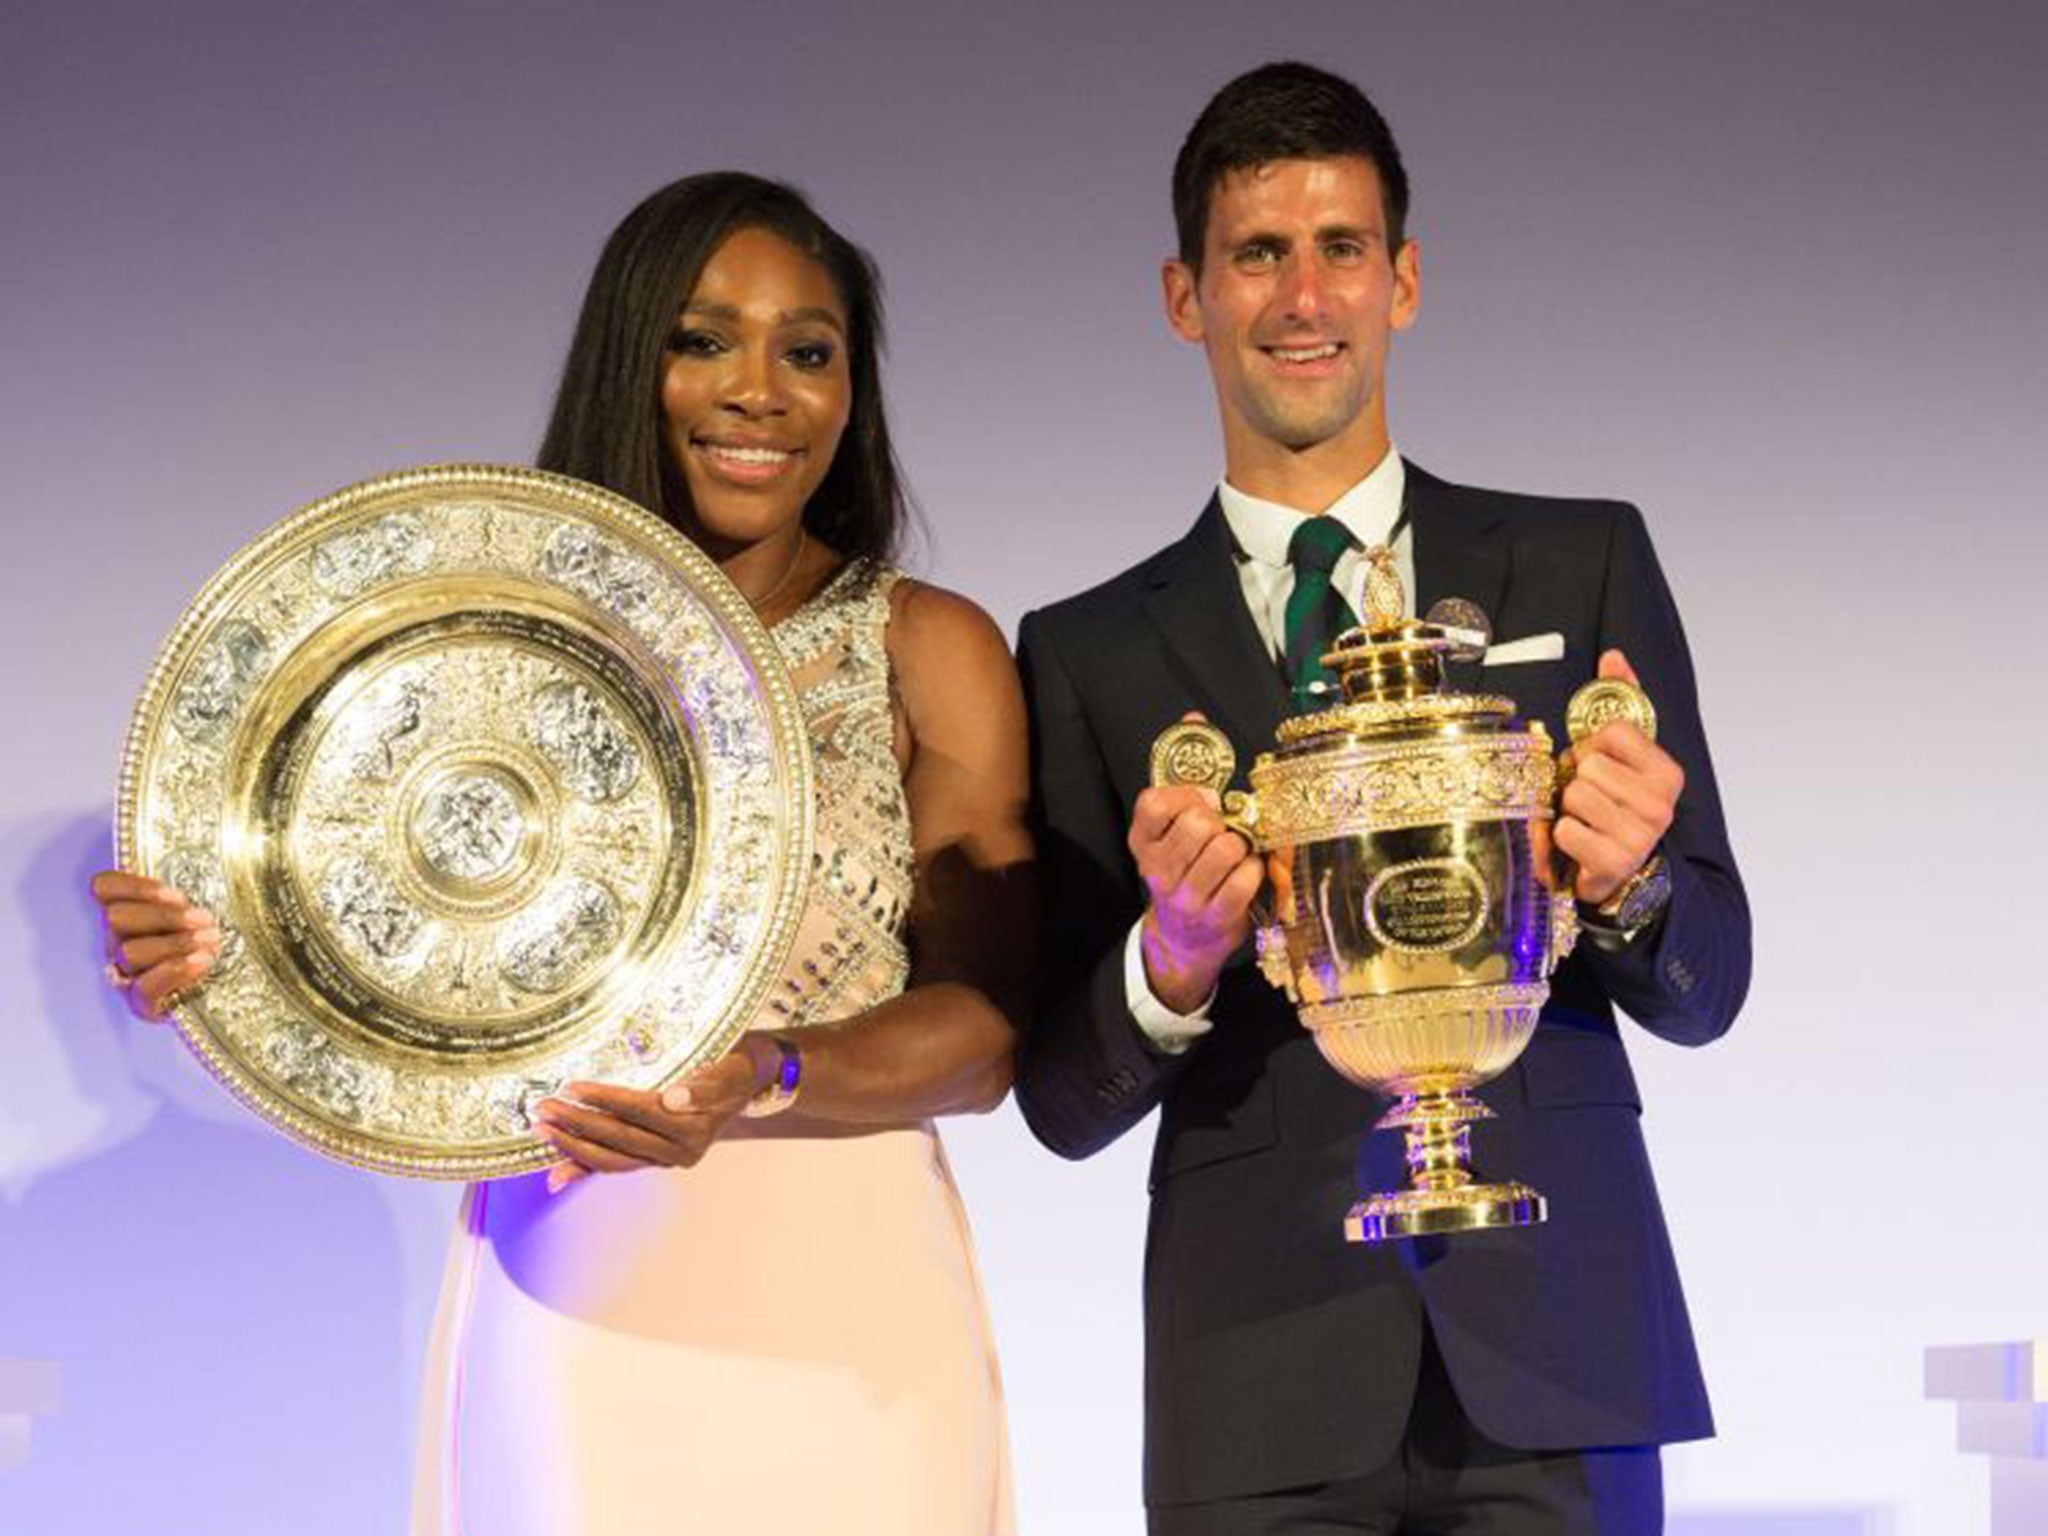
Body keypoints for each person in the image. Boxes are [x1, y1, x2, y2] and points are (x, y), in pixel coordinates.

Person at [91, 171, 1029, 1535]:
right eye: (703, 340)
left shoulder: (925, 647)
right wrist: (215, 957)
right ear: (628, 361)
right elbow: (363, 939)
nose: (759, 389)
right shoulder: (478, 634)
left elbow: (990, 1038)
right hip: (582, 1286)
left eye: (808, 351)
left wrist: (764, 1075)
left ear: (851, 393)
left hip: (854, 1300)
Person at [1014, 63, 1749, 1534]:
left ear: (1402, 280)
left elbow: (1710, 979)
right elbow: (1058, 1093)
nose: (1304, 295)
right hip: (1261, 1364)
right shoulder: (1088, 649)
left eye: (1341, 247)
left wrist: (1631, 880)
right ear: (1185, 295)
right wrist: (1167, 968)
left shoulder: (1580, 562)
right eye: (1258, 254)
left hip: (1558, 1338)